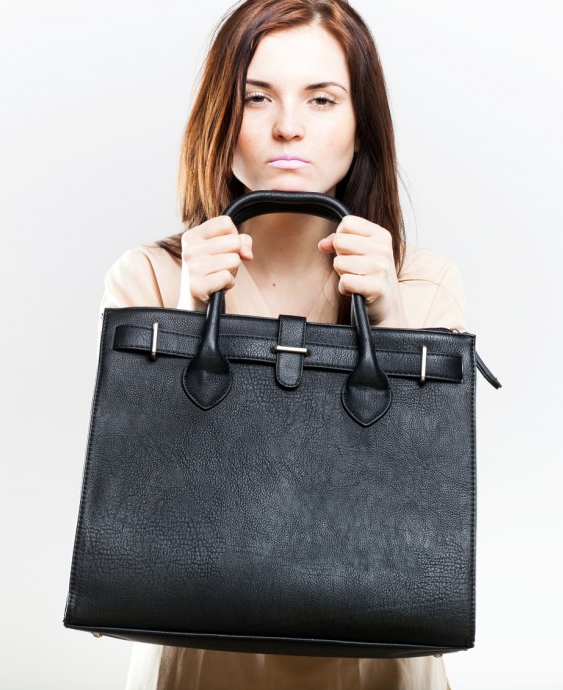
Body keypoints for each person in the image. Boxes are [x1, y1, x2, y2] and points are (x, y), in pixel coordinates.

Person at [100, 1, 468, 688]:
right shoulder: (150, 276)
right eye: (256, 97)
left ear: (362, 125)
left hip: (376, 658)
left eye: (322, 99)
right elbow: (138, 495)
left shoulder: (424, 283)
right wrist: (186, 323)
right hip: (202, 652)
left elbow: (420, 502)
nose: (288, 126)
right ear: (220, 116)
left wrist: (388, 319)